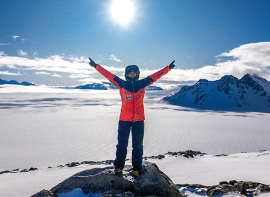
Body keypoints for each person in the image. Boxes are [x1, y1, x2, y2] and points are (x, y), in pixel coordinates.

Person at [89, 57, 176, 176]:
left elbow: (156, 76)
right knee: (121, 145)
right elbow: (109, 75)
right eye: (130, 72)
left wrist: (168, 68)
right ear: (126, 74)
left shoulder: (142, 84)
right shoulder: (122, 84)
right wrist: (96, 66)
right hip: (124, 120)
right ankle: (119, 166)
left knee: (138, 146)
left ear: (137, 74)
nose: (132, 74)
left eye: (134, 72)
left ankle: (137, 168)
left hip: (139, 121)